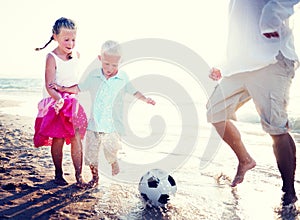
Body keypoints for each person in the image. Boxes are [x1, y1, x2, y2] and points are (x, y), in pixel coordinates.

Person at [206, 0, 299, 206]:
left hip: (272, 60)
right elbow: (240, 28)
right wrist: (225, 63)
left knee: (276, 128)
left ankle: (289, 192)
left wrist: (270, 21)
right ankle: (245, 159)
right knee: (215, 112)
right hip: (239, 66)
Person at [52, 40, 156, 188]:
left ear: (120, 62)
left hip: (113, 126)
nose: (109, 68)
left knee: (110, 151)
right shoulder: (94, 75)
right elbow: (79, 88)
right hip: (94, 124)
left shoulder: (123, 78)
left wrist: (145, 99)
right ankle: (95, 178)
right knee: (91, 154)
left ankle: (113, 161)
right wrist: (62, 88)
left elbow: (133, 91)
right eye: (106, 64)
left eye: (114, 65)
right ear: (100, 59)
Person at [33, 17, 88, 188]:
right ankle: (58, 173)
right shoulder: (52, 57)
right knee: (58, 139)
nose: (70, 43)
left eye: (73, 39)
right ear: (55, 37)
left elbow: (79, 84)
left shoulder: (77, 55)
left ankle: (79, 176)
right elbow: (49, 85)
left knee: (76, 137)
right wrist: (59, 99)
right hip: (56, 102)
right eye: (66, 39)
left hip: (72, 103)